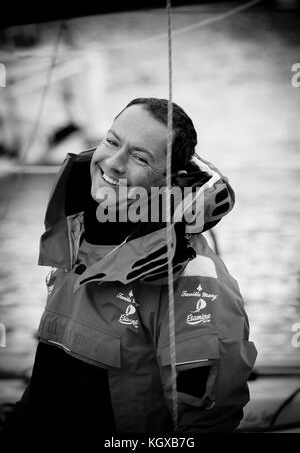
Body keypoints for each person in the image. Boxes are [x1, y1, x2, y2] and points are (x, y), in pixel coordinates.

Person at [2, 97, 257, 437]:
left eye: (140, 157)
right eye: (111, 141)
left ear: (170, 180)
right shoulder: (77, 237)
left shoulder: (191, 281)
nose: (114, 163)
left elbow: (205, 425)